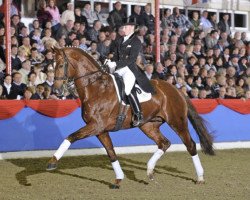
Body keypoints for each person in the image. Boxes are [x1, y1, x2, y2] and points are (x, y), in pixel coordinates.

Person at [106, 22, 154, 126]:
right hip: (118, 68)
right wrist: (110, 61)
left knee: (127, 90)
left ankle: (138, 114)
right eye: (123, 26)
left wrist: (116, 63)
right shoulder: (119, 40)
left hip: (129, 69)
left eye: (125, 27)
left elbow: (131, 60)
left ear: (131, 28)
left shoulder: (136, 41)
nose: (123, 28)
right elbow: (116, 55)